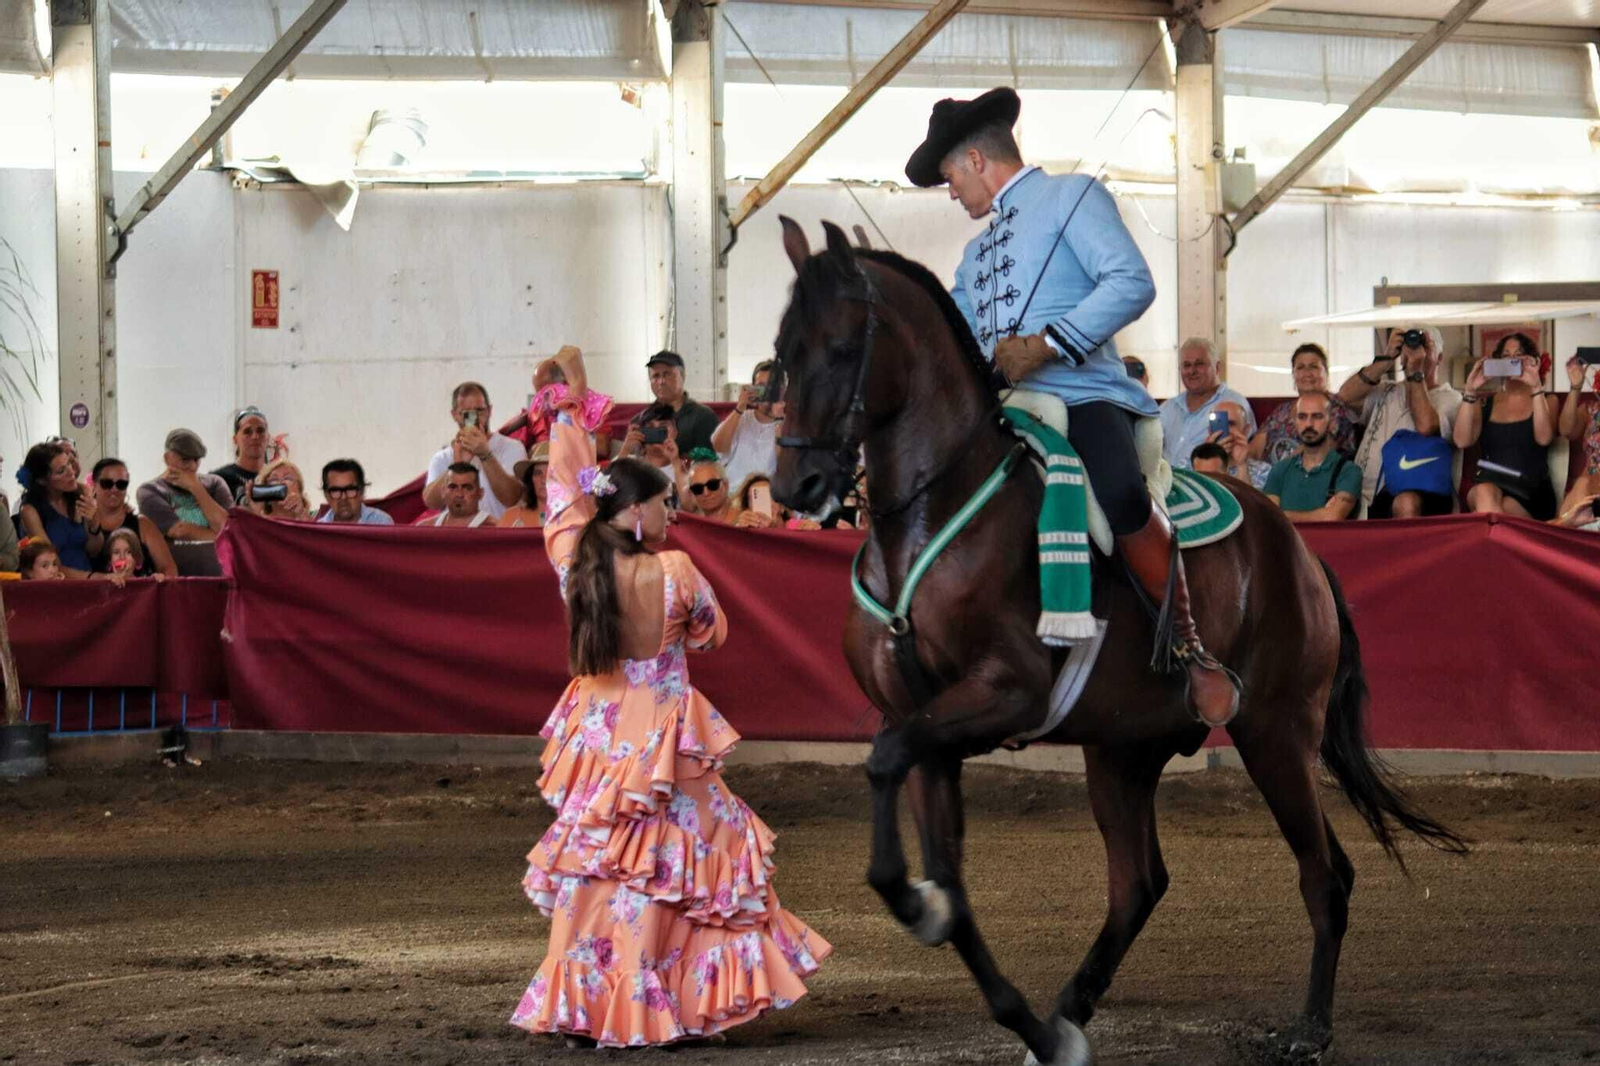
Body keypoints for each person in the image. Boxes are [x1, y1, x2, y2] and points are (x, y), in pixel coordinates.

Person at [510, 344, 829, 1048]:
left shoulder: (573, 562)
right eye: (662, 505)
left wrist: (566, 407)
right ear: (633, 516)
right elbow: (714, 635)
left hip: (595, 737)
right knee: (689, 872)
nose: (673, 516)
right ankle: (672, 1006)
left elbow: (563, 488)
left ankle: (595, 1005)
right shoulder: (678, 571)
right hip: (662, 738)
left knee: (603, 872)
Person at [906, 85, 1237, 726]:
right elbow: (964, 338)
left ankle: (1191, 646)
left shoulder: (1073, 197)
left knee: (1118, 492)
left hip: (1085, 393)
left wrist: (1050, 343)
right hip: (1006, 408)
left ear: (976, 160)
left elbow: (1132, 282)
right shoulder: (975, 256)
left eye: (949, 176)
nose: (950, 193)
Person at [1337, 326, 1462, 518]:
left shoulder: (1451, 398)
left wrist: (1415, 371)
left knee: (1406, 504)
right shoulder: (1386, 389)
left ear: (1439, 358)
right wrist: (1386, 359)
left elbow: (1426, 427)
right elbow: (1345, 397)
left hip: (1415, 498)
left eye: (1425, 347)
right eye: (1409, 347)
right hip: (1366, 497)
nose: (1414, 352)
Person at [1455, 334, 1558, 520]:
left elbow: (1544, 438)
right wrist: (1470, 390)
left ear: (1530, 361)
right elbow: (1461, 440)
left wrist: (1535, 386)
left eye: (1518, 355)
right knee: (1485, 492)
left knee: (1504, 507)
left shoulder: (1547, 399)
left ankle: (1493, 547)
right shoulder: (1485, 403)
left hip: (1531, 490)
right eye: (1506, 355)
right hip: (1488, 483)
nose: (1512, 359)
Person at [423, 382, 525, 520]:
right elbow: (431, 502)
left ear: (489, 411)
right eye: (466, 413)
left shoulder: (512, 447)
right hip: (459, 537)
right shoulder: (442, 457)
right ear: (454, 415)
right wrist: (458, 464)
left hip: (499, 536)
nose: (473, 418)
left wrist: (485, 455)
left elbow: (511, 498)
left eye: (479, 410)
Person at [1262, 392, 1363, 523]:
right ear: (1295, 422)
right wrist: (1320, 514)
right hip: (1284, 543)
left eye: (1317, 416)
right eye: (1302, 417)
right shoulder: (1280, 469)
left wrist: (1283, 515)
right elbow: (1269, 518)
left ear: (1331, 422)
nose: (1309, 424)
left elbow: (1333, 517)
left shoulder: (1349, 471)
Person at [1158, 338, 1257, 471]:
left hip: (1210, 482)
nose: (1192, 371)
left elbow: (1243, 453)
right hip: (1166, 484)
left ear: (1217, 367)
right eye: (1186, 365)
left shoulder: (1234, 404)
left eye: (1199, 364)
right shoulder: (1167, 408)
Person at [1249, 345, 1357, 465]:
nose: (1307, 373)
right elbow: (1255, 450)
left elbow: (1316, 453)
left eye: (1314, 367)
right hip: (1267, 477)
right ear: (1294, 375)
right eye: (1300, 368)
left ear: (1326, 373)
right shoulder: (1282, 410)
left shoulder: (1336, 409)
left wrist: (1277, 474)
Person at [18, 441, 101, 577]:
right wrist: (92, 578)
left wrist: (94, 523)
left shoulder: (81, 493)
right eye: (61, 471)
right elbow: (52, 566)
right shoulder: (30, 510)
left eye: (69, 463)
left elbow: (94, 550)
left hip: (87, 576)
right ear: (42, 480)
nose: (71, 472)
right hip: (57, 584)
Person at [136, 429, 234, 543]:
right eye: (185, 460)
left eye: (196, 460)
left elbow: (229, 526)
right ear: (167, 458)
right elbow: (178, 530)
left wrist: (196, 488)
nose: (193, 466)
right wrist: (223, 537)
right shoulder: (150, 490)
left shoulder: (215, 483)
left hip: (217, 560)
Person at [618, 349, 718, 457]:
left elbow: (709, 462)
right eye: (656, 376)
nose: (661, 381)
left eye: (667, 374)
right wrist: (629, 448)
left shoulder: (702, 416)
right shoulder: (640, 420)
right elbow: (632, 463)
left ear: (683, 376)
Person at [89, 458, 178, 579]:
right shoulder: (83, 523)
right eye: (107, 484)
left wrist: (159, 586)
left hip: (140, 596)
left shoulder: (143, 524)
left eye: (121, 484)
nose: (114, 489)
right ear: (94, 486)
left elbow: (169, 568)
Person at [711, 360, 783, 494]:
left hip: (766, 495)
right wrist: (740, 408)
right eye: (761, 386)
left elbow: (784, 465)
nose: (767, 392)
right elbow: (718, 446)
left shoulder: (791, 424)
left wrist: (779, 418)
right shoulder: (741, 417)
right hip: (732, 493)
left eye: (772, 387)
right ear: (753, 389)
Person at [1558, 354, 1600, 507]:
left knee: (1584, 484)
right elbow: (1566, 431)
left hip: (1590, 491)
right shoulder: (1591, 409)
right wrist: (1576, 387)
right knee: (1583, 484)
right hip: (1588, 492)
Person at [211, 405, 271, 503]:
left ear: (268, 438)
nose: (255, 436)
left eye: (260, 431)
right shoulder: (219, 479)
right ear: (235, 439)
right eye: (247, 432)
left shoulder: (277, 479)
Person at [417, 464, 497, 528]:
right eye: (453, 487)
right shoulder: (425, 529)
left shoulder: (495, 529)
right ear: (443, 491)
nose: (459, 494)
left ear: (480, 493)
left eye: (467, 488)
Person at [319, 459, 394, 525]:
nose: (343, 497)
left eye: (350, 489)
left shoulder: (381, 523)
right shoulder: (319, 532)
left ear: (362, 491)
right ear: (326, 495)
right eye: (335, 491)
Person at [500, 442, 552, 529]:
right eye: (537, 473)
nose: (544, 480)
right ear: (530, 479)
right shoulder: (511, 517)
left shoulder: (577, 517)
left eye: (551, 473)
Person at [249, 458, 315, 522]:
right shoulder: (261, 521)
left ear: (299, 490)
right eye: (274, 479)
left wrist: (302, 515)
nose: (281, 482)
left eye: (288, 478)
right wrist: (256, 514)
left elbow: (314, 532)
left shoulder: (312, 518)